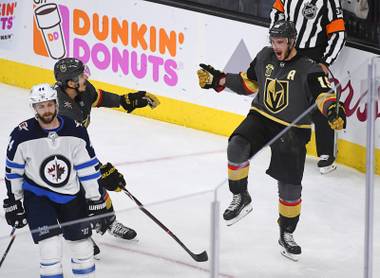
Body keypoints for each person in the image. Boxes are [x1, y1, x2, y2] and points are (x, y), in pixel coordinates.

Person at [196, 20, 346, 260]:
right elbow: (248, 82)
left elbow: (323, 94)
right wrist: (219, 81)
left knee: (289, 185)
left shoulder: (309, 68)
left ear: (292, 41)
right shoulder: (265, 56)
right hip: (262, 116)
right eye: (273, 41)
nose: (276, 46)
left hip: (293, 127)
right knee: (236, 146)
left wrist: (332, 110)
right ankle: (240, 196)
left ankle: (286, 232)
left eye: (281, 42)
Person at [53, 57, 160, 254]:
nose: (85, 77)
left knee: (98, 188)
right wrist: (98, 169)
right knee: (71, 193)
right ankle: (77, 234)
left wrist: (124, 100)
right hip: (55, 158)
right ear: (70, 83)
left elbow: (98, 97)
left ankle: (108, 222)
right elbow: (71, 149)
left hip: (77, 148)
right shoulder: (60, 110)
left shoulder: (82, 89)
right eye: (80, 76)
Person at [2, 83, 109, 277]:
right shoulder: (21, 135)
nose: (46, 110)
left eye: (50, 105)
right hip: (38, 196)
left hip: (72, 195)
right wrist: (13, 201)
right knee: (49, 249)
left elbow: (87, 167)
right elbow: (14, 171)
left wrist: (95, 198)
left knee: (83, 249)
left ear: (56, 104)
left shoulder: (75, 130)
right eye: (41, 106)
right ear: (34, 108)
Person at [270, 0, 347, 174]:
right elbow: (276, 12)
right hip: (290, 51)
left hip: (313, 55)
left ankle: (326, 153)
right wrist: (280, 42)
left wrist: (326, 62)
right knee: (288, 98)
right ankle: (289, 145)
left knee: (319, 99)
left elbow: (339, 33)